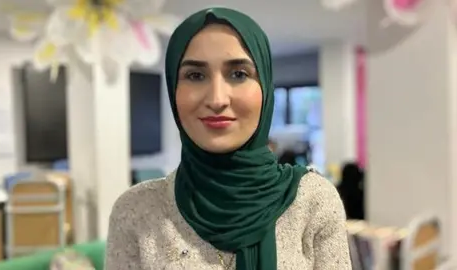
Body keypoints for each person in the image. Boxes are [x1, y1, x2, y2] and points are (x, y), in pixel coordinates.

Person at [105, 7, 350, 270]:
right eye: (195, 76)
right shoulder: (136, 211)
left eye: (239, 74)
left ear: (265, 88)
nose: (217, 99)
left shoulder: (312, 201)